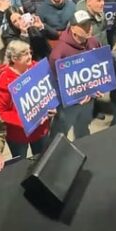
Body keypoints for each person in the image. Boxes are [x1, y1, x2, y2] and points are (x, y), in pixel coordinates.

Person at [0, 40, 56, 158]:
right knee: (20, 164)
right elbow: (1, 112)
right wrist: (26, 120)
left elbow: (48, 88)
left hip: (41, 129)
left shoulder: (35, 67)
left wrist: (51, 105)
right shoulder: (4, 81)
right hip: (19, 134)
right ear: (14, 59)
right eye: (25, 54)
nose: (30, 56)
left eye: (29, 52)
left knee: (43, 159)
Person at [48, 10, 103, 141]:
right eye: (84, 26)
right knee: (60, 135)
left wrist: (96, 87)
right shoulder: (59, 54)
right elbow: (54, 85)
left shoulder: (93, 42)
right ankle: (56, 158)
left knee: (83, 128)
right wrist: (75, 97)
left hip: (89, 100)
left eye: (90, 24)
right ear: (73, 28)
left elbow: (99, 68)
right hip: (68, 106)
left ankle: (84, 147)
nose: (89, 28)